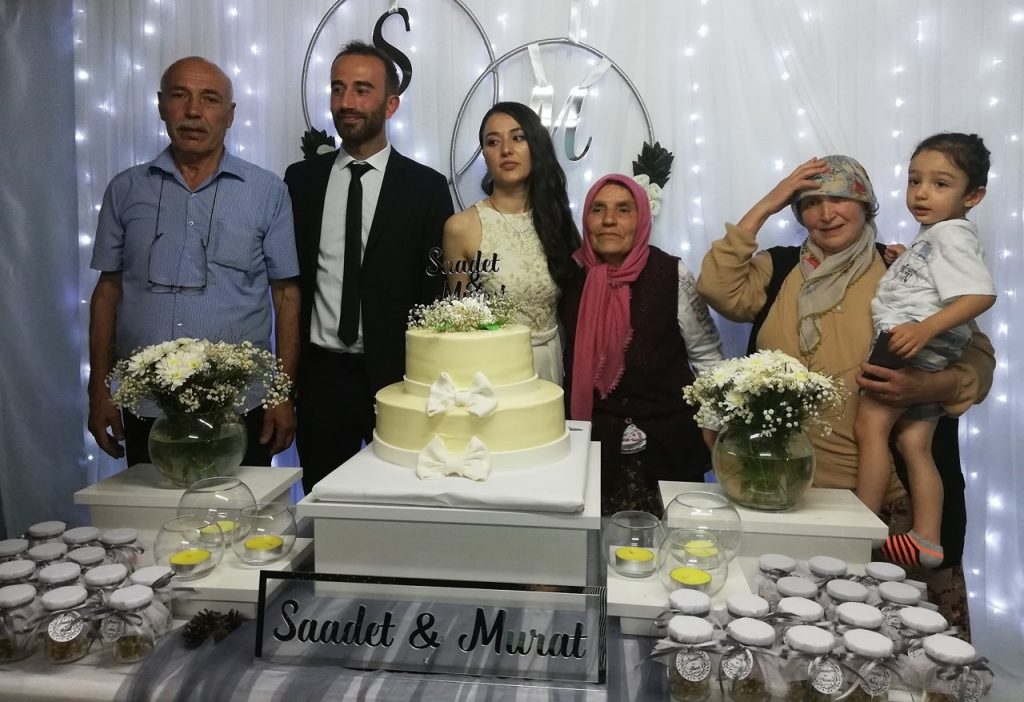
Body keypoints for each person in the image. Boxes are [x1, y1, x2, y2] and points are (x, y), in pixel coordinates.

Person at [697, 154, 994, 633]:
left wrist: (929, 385)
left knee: (894, 648)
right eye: (809, 203)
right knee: (790, 643)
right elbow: (717, 285)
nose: (825, 213)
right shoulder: (779, 268)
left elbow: (978, 356)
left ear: (866, 203)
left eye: (840, 198)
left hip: (889, 508)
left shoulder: (905, 269)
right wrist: (772, 199)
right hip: (785, 494)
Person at [88, 56, 300, 467]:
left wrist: (281, 393)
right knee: (150, 509)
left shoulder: (267, 191)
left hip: (241, 406)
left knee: (242, 507)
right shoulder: (125, 190)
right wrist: (99, 389)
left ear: (230, 115)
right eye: (180, 96)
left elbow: (286, 296)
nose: (193, 111)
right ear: (161, 106)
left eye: (210, 99)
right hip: (146, 404)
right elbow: (107, 293)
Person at [284, 41, 453, 492]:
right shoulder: (300, 182)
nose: (346, 102)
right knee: (325, 504)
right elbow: (290, 284)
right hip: (321, 380)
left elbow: (434, 295)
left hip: (398, 380)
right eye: (338, 88)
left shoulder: (427, 189)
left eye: (362, 90)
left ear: (390, 104)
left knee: (404, 502)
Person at [856, 134, 996, 569]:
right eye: (915, 180)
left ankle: (860, 530)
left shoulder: (952, 235)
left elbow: (980, 294)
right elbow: (933, 277)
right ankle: (927, 539)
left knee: (870, 426)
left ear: (973, 196)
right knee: (914, 441)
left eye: (940, 183)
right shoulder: (937, 235)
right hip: (928, 341)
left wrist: (924, 329)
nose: (921, 193)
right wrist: (905, 259)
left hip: (911, 340)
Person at [561, 175, 723, 516]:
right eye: (598, 209)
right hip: (592, 448)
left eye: (623, 209)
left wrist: (712, 422)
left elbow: (707, 356)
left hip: (669, 445)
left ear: (642, 219)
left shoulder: (672, 274)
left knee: (676, 542)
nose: (609, 220)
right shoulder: (569, 277)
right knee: (597, 544)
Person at [442, 102, 580, 383]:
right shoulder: (461, 228)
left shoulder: (556, 220)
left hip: (552, 361)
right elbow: (460, 324)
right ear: (484, 154)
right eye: (493, 142)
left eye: (518, 138)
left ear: (535, 145)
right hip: (494, 369)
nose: (506, 149)